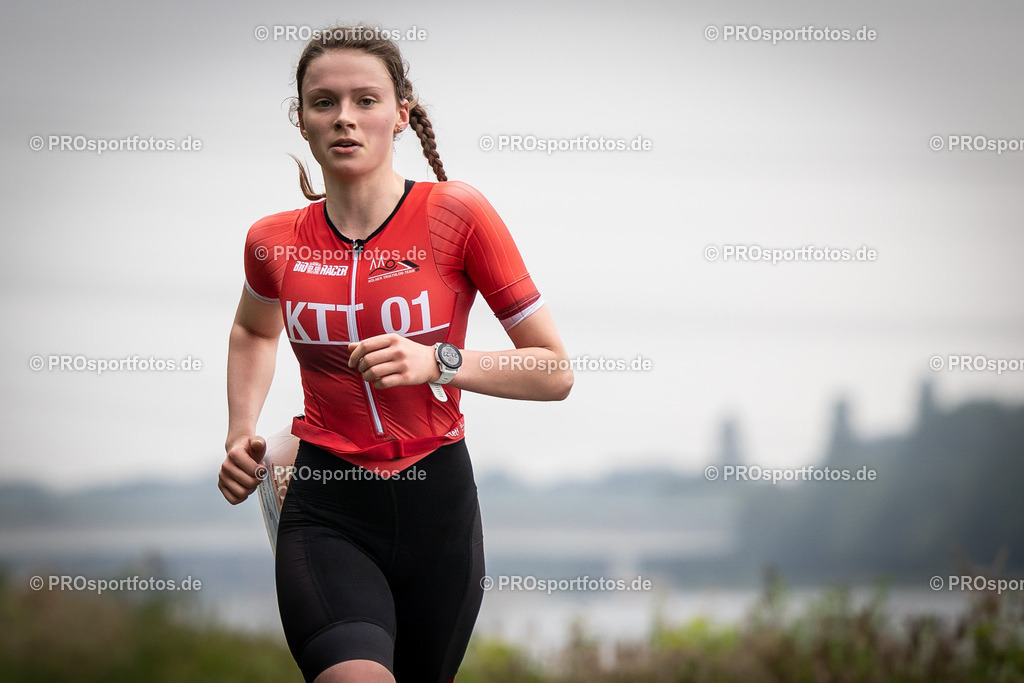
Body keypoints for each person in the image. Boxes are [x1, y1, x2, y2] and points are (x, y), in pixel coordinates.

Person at [216, 25, 572, 683]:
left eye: (366, 100)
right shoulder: (272, 242)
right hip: (326, 507)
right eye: (324, 102)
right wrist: (242, 433)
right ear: (301, 120)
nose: (344, 117)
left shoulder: (457, 215)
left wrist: (439, 360)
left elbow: (554, 370)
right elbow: (254, 331)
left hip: (439, 507)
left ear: (401, 113)